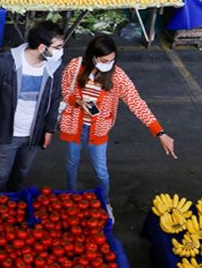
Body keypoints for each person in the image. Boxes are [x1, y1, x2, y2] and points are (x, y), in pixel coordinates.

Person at [59, 35, 176, 223]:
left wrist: (159, 132)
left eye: (112, 60)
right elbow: (65, 91)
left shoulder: (118, 77)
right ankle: (70, 196)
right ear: (93, 56)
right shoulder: (75, 67)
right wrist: (77, 101)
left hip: (98, 131)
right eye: (105, 60)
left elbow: (136, 102)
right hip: (75, 127)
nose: (109, 64)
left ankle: (105, 202)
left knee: (101, 170)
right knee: (71, 163)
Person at [0, 21, 65, 192]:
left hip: (34, 135)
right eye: (57, 47)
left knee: (21, 172)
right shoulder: (7, 63)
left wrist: (49, 129)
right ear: (41, 47)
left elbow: (55, 99)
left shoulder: (54, 67)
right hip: (7, 132)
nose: (60, 52)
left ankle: (14, 202)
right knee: (1, 176)